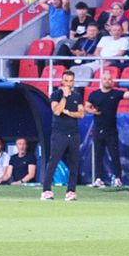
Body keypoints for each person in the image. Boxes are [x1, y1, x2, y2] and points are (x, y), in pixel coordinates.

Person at [41, 71, 84, 201]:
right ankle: (46, 190)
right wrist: (64, 98)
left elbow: (81, 113)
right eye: (67, 81)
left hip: (74, 133)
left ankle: (71, 191)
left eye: (71, 81)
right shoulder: (56, 94)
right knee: (53, 160)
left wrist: (69, 112)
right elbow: (57, 111)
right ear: (62, 81)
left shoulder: (77, 96)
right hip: (59, 133)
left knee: (74, 162)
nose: (69, 84)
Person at [85, 71, 129, 188]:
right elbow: (86, 106)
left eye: (109, 79)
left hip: (111, 130)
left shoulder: (116, 93)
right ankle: (98, 179)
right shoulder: (95, 94)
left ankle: (118, 178)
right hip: (98, 129)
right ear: (101, 80)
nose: (107, 81)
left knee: (114, 154)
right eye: (105, 79)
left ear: (112, 81)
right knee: (98, 155)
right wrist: (92, 111)